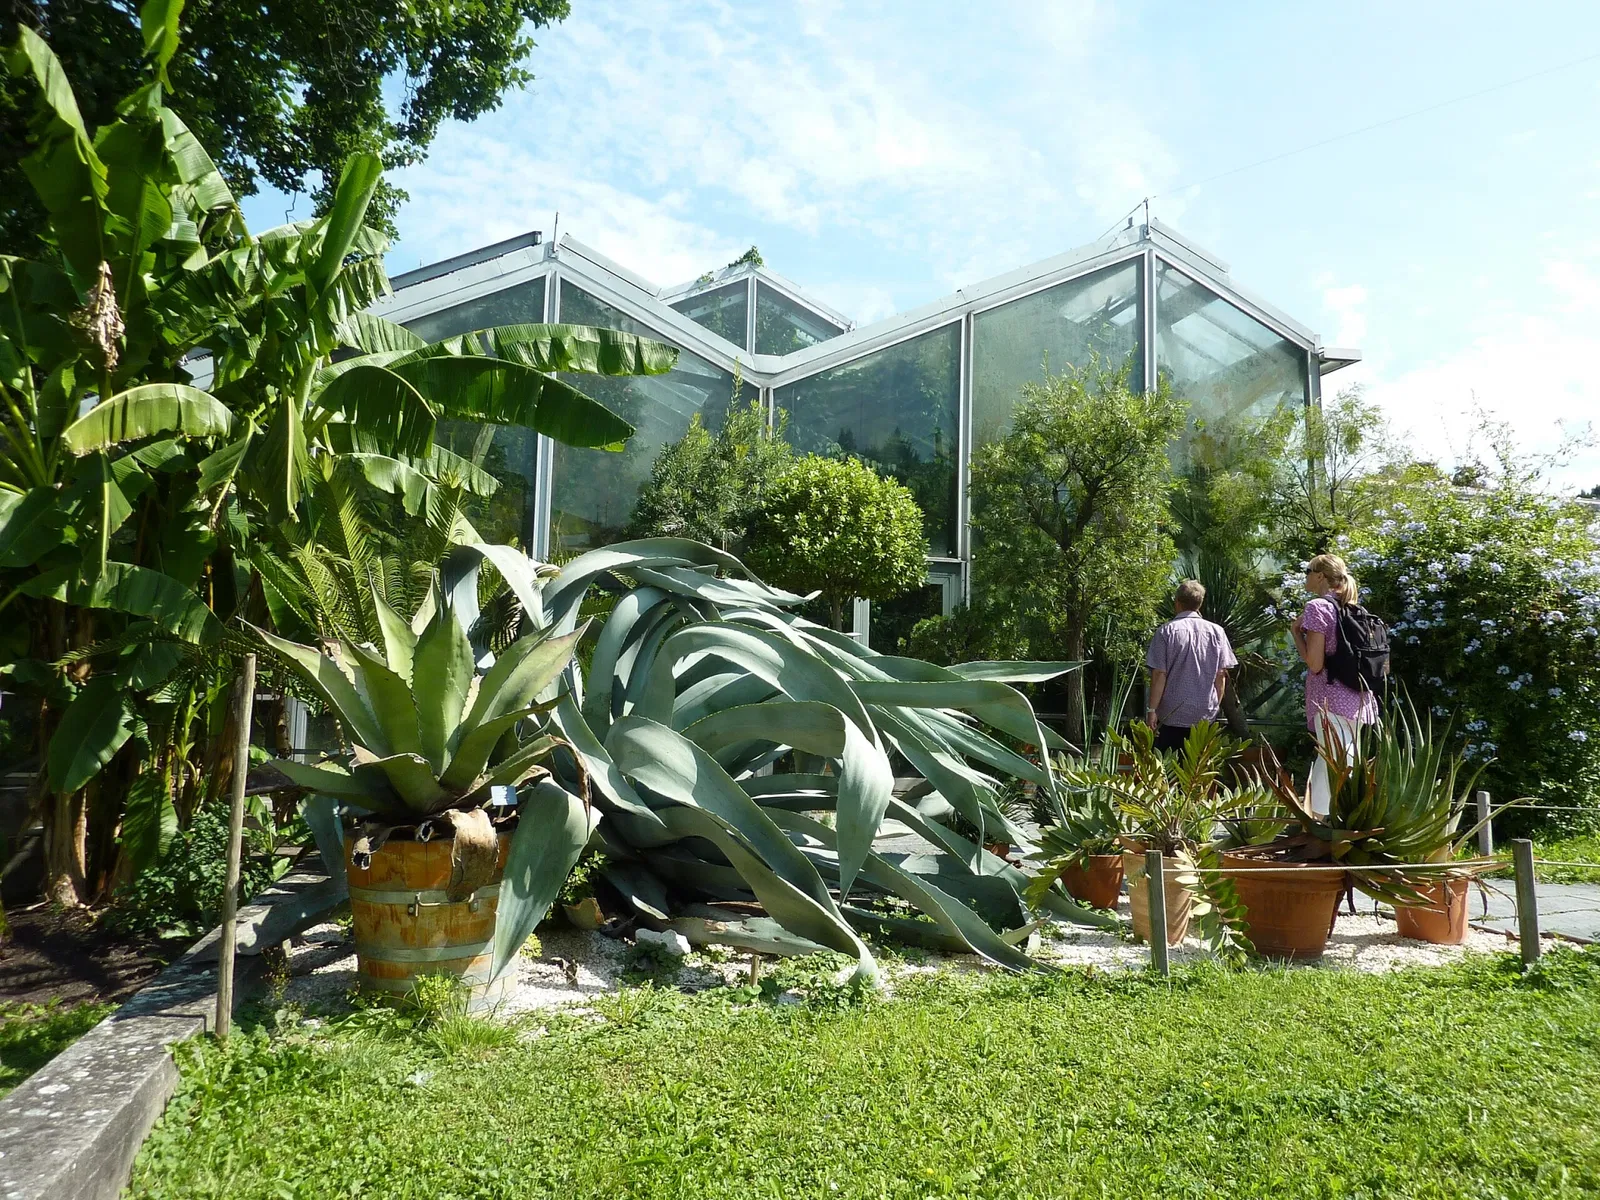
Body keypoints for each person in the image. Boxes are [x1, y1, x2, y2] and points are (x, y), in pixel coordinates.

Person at [1291, 552, 1380, 814]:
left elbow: (1315, 664)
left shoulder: (1318, 607)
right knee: (1339, 759)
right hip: (1359, 698)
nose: (1305, 576)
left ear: (1320, 576)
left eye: (1308, 571)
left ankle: (1328, 819)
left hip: (1330, 698)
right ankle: (1326, 817)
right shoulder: (1353, 608)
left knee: (1333, 762)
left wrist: (1297, 634)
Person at [1144, 579, 1237, 751]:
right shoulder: (1217, 632)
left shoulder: (1166, 631)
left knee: (1169, 768)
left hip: (1172, 714)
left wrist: (1152, 710)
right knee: (1197, 769)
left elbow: (1159, 674)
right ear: (1200, 603)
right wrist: (1215, 705)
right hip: (1204, 713)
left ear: (1177, 603)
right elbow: (1221, 674)